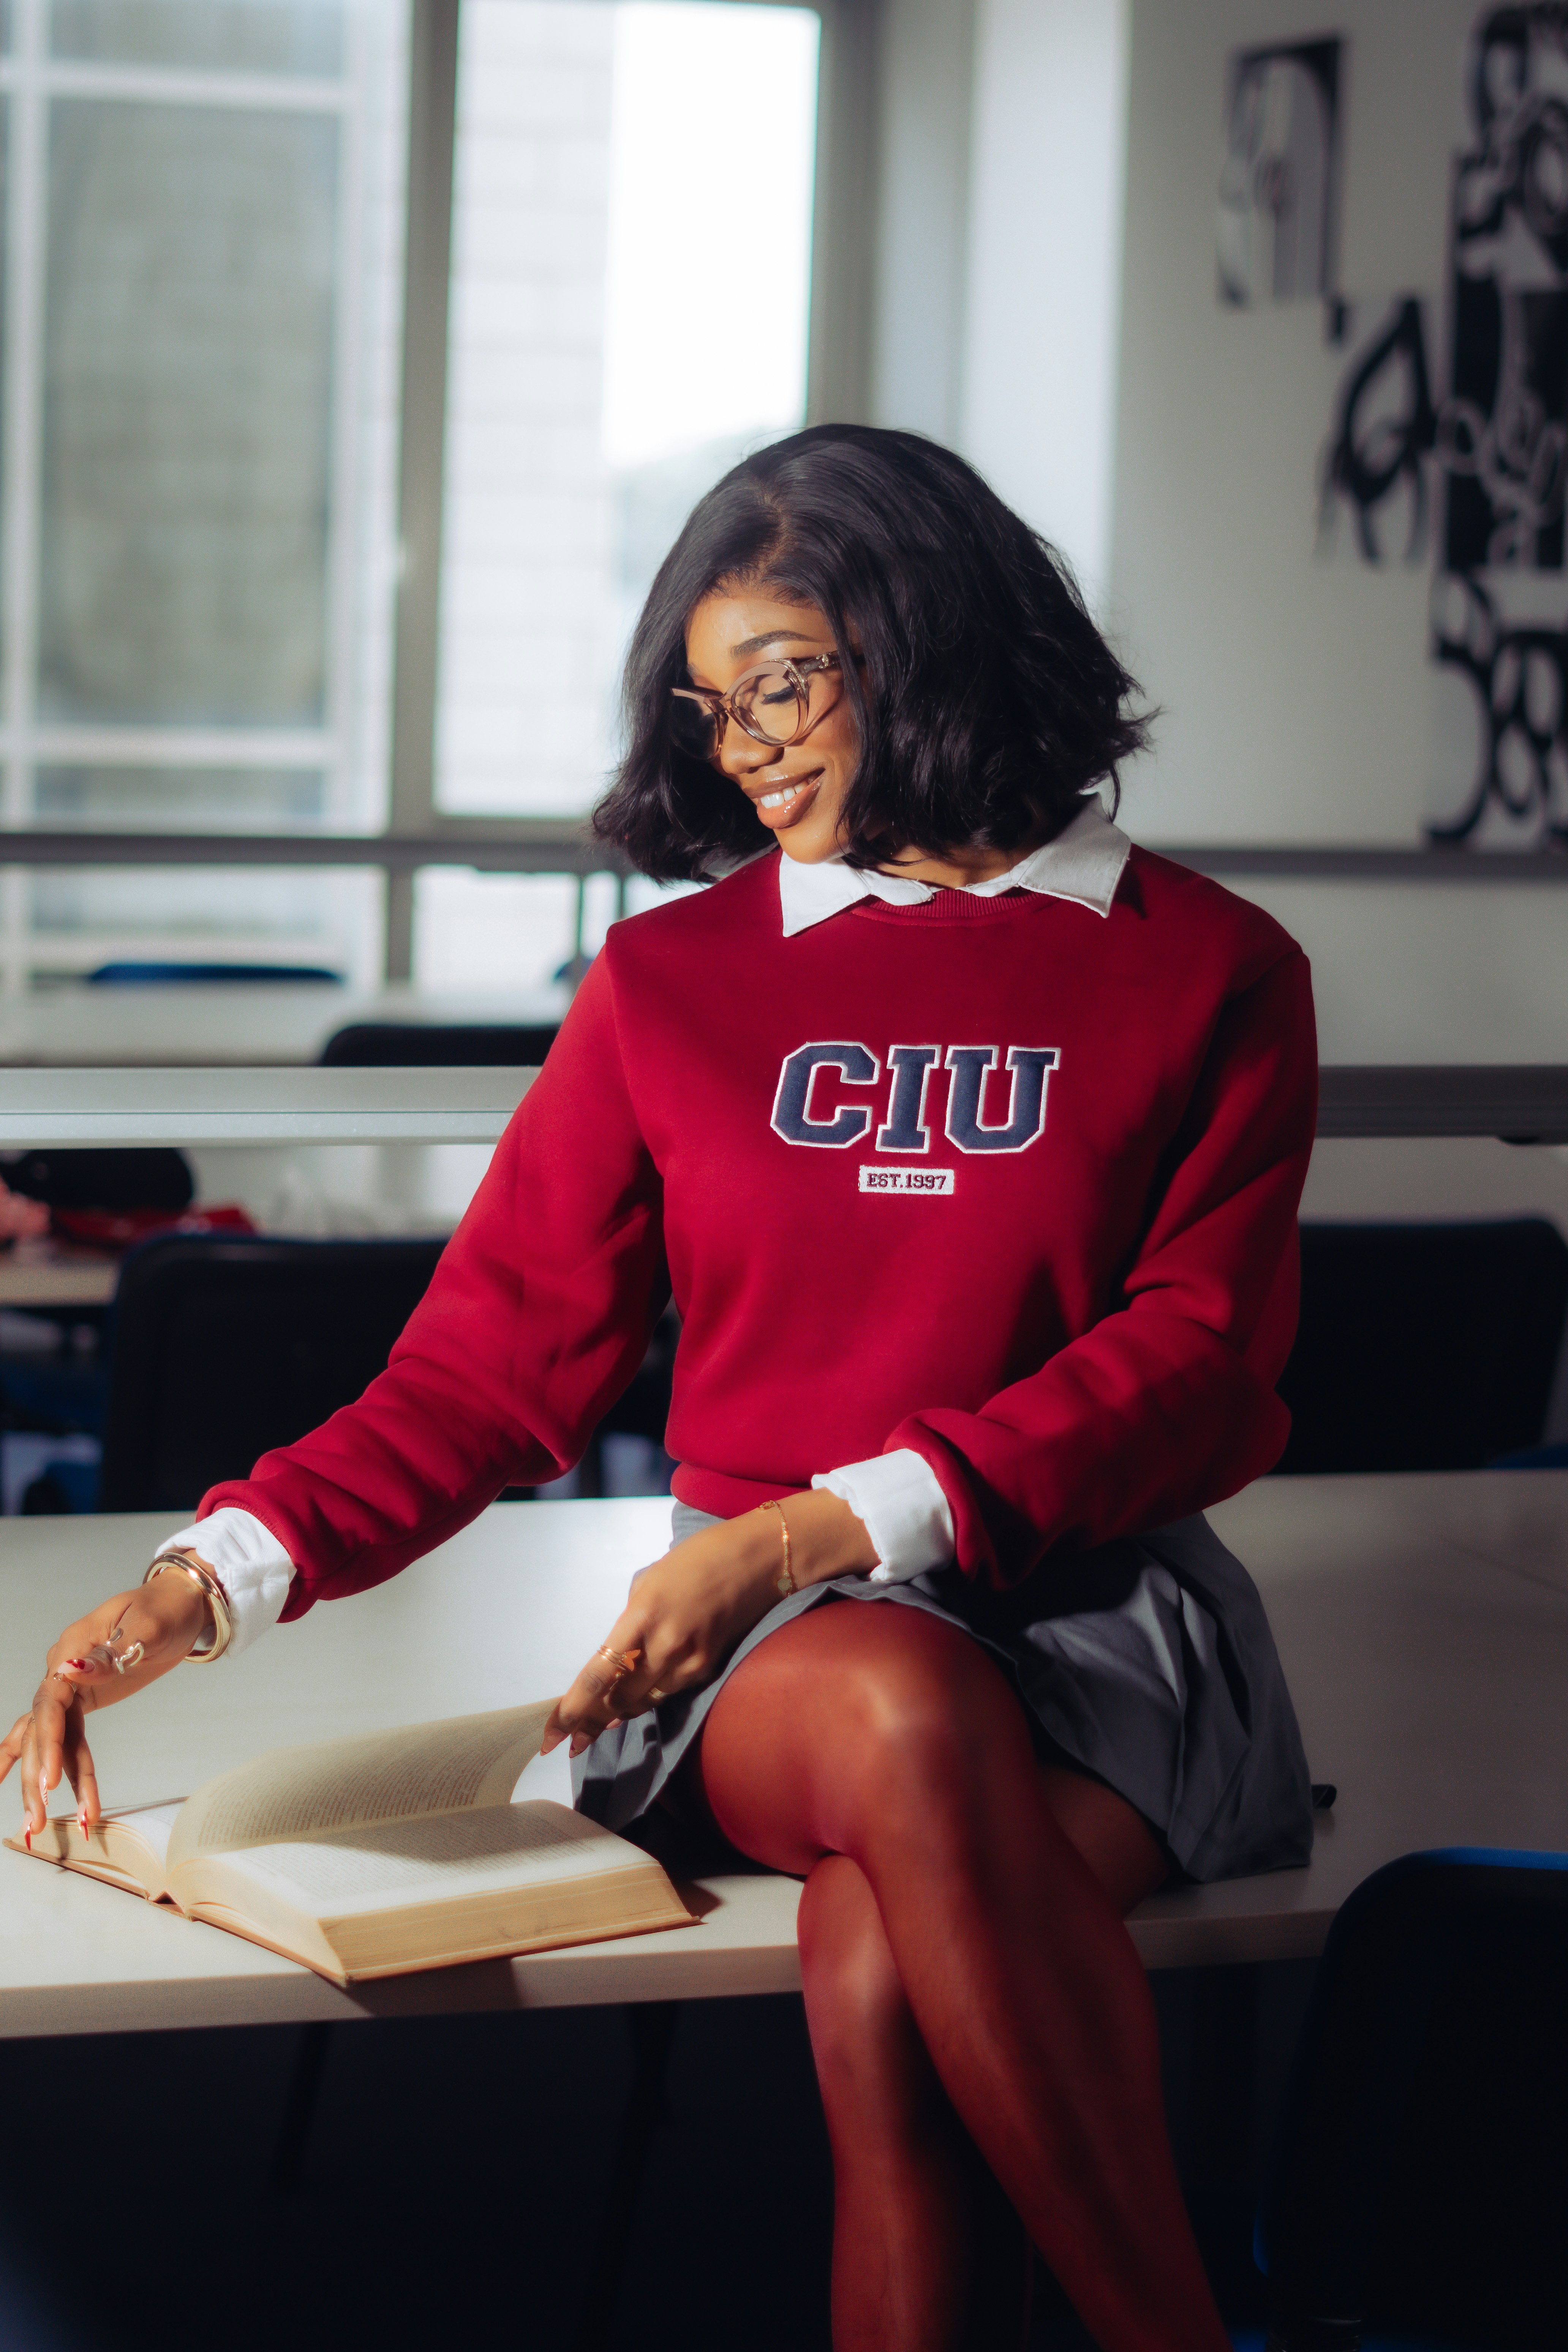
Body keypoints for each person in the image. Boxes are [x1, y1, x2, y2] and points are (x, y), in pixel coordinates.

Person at [3, 426, 1317, 2352]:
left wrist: (820, 1515)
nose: (748, 745)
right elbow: (486, 1365)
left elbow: (1203, 1364)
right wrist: (210, 1581)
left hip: (1106, 1620)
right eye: (713, 706)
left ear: (927, 637)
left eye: (787, 679)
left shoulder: (1209, 969)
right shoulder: (677, 988)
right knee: (894, 1691)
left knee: (882, 1979)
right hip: (780, 1657)